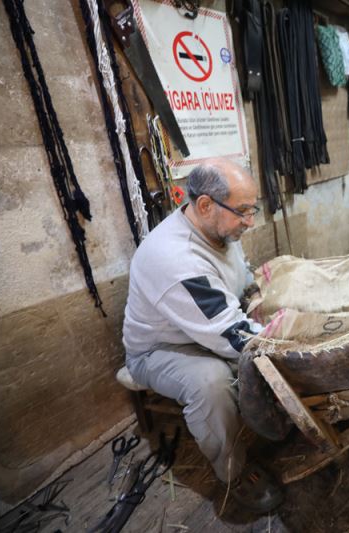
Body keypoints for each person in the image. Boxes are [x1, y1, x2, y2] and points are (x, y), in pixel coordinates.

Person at [122, 158, 282, 512]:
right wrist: (289, 342)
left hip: (201, 329)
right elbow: (229, 335)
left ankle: (266, 418)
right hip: (158, 350)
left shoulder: (217, 226)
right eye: (243, 211)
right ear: (206, 204)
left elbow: (237, 281)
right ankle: (232, 471)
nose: (250, 222)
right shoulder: (174, 257)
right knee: (211, 381)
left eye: (252, 209)